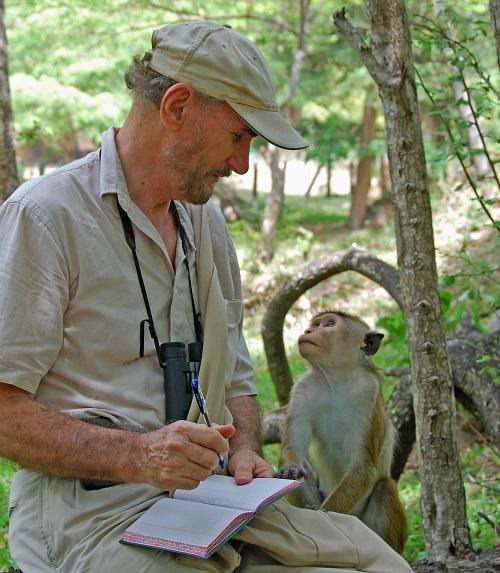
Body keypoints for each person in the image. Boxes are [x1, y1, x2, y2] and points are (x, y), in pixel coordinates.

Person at [0, 20, 413, 573]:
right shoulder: (46, 217)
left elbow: (237, 376)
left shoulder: (206, 222)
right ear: (176, 107)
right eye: (238, 135)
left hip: (209, 503)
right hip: (90, 510)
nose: (241, 164)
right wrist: (137, 455)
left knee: (378, 563)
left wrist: (244, 449)